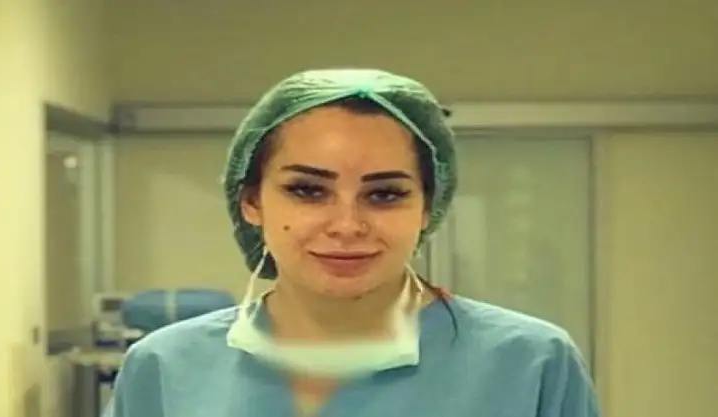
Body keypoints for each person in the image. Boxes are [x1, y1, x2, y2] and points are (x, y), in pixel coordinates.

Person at [106, 69, 600, 417]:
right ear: (251, 201)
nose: (346, 225)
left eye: (384, 194)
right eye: (307, 190)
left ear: (428, 207)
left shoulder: (529, 364)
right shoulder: (165, 368)